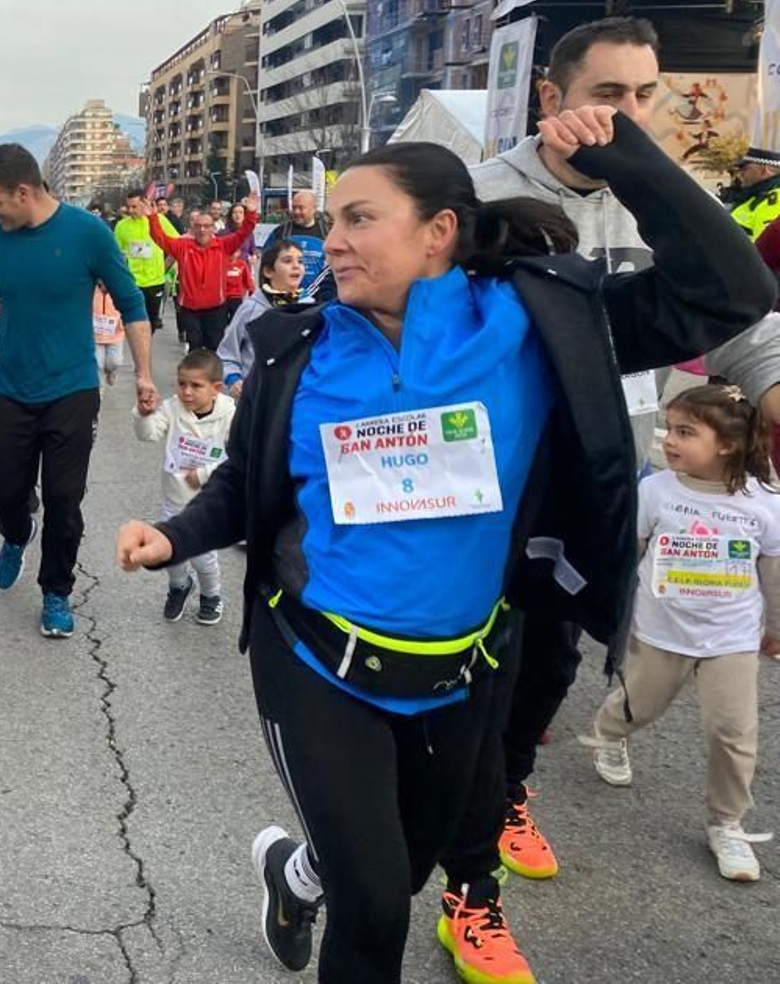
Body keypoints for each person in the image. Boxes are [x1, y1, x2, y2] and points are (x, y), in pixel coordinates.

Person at [114, 108, 773, 984]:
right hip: (314, 659)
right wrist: (172, 534)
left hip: (461, 672)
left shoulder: (536, 320)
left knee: (409, 871)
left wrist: (626, 155)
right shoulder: (297, 349)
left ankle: (295, 873)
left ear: (440, 233)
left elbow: (730, 292)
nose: (332, 240)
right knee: (379, 905)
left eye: (359, 218)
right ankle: (332, 881)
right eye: (332, 220)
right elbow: (247, 482)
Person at [445, 17, 780, 966]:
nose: (629, 118)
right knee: (482, 664)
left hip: (600, 478)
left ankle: (509, 791)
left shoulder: (661, 202)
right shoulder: (479, 198)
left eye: (645, 97)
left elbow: (741, 316)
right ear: (551, 100)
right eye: (609, 98)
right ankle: (466, 870)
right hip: (490, 480)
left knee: (554, 658)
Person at [0, 143, 156, 638]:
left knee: (65, 498)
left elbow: (131, 304)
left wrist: (144, 376)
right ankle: (18, 533)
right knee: (3, 491)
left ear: (24, 191)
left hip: (71, 388)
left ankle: (57, 591)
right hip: (8, 384)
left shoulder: (88, 234)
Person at [582, 384, 780, 883]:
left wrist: (776, 628)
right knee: (640, 705)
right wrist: (609, 607)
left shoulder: (765, 503)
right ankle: (611, 732)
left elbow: (774, 571)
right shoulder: (655, 491)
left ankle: (727, 823)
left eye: (686, 432)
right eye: (669, 429)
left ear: (728, 445)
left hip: (731, 639)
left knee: (734, 734)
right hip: (660, 631)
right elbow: (630, 553)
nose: (669, 441)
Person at [132, 348, 235, 626]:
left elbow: (237, 454)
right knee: (170, 551)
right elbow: (149, 435)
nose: (186, 392)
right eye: (181, 384)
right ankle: (179, 586)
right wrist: (144, 415)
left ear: (216, 388)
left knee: (203, 557)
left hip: (210, 501)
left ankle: (211, 595)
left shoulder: (230, 413)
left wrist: (203, 473)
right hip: (175, 499)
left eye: (196, 386)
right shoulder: (172, 408)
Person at [143, 194, 258, 352]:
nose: (202, 230)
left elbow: (244, 233)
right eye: (198, 226)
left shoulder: (224, 245)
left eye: (206, 226)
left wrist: (251, 213)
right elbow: (160, 238)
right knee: (195, 345)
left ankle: (213, 375)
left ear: (213, 228)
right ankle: (194, 374)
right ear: (192, 228)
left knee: (214, 348)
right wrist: (152, 217)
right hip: (190, 309)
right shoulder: (183, 246)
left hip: (216, 309)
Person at [219, 241, 305, 398]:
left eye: (300, 261)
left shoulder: (309, 309)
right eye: (287, 261)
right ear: (268, 271)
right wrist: (234, 380)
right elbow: (226, 355)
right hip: (255, 400)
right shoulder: (251, 310)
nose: (296, 266)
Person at [114, 189, 179, 331]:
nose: (130, 210)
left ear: (144, 204)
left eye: (134, 207)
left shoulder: (158, 220)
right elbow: (116, 254)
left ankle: (146, 349)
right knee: (134, 323)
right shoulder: (122, 225)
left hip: (154, 281)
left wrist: (165, 266)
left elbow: (177, 245)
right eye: (128, 207)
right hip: (132, 282)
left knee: (151, 324)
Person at [264, 190, 333, 300]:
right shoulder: (281, 232)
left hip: (318, 300)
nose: (296, 212)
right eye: (294, 207)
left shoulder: (327, 233)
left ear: (314, 208)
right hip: (284, 299)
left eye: (301, 208)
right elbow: (266, 263)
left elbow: (333, 267)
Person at [724, 146, 780, 239]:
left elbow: (764, 249)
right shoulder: (757, 195)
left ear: (764, 170)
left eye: (745, 169)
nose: (740, 174)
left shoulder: (775, 201)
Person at [92, 282, 125, 389]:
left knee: (115, 361)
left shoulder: (118, 287)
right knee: (97, 364)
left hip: (115, 334)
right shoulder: (90, 288)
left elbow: (127, 306)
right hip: (95, 335)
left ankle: (111, 371)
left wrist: (122, 321)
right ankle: (99, 390)